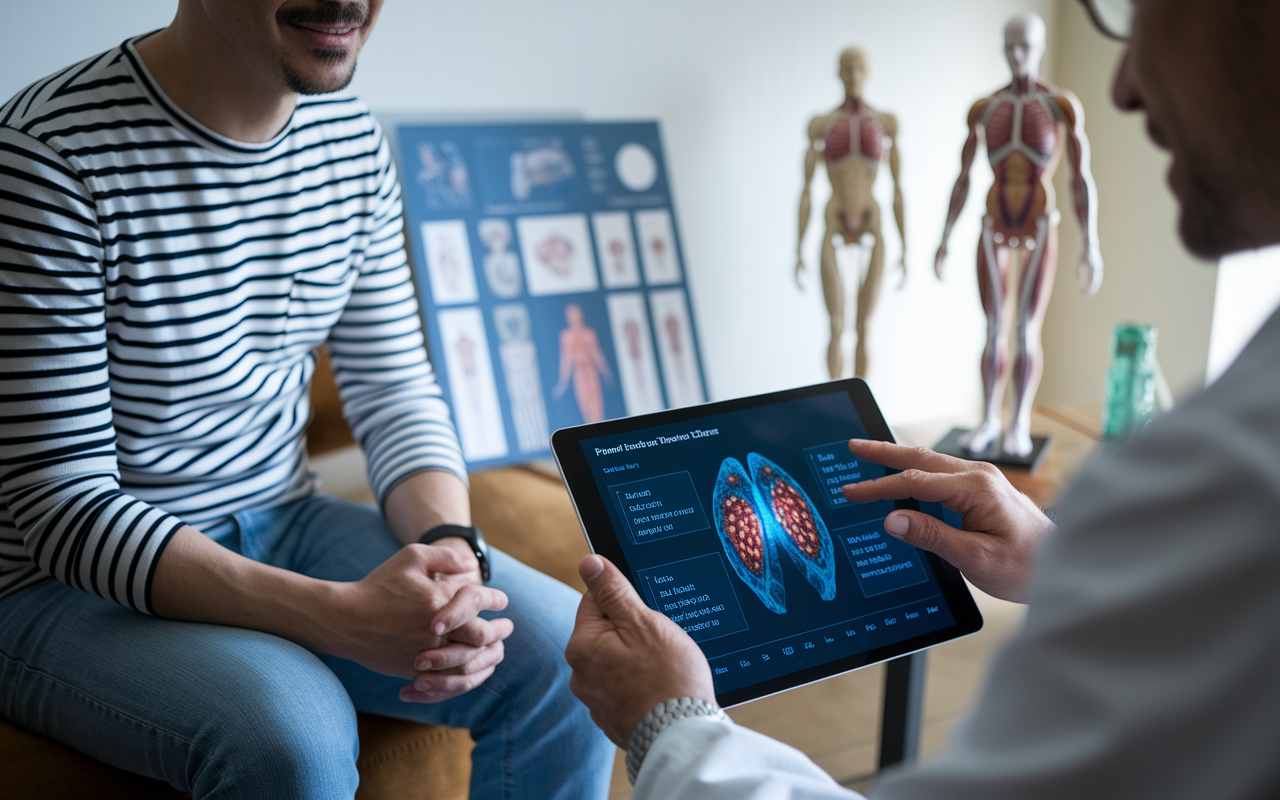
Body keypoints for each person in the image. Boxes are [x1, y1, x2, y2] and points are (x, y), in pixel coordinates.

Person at [567, 1, 1280, 797]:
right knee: (876, 344)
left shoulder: (1242, 477)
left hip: (986, 220)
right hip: (879, 220)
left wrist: (669, 725)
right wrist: (1060, 563)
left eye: (1150, 11)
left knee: (1004, 337)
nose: (1122, 86)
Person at [0, 2, 613, 799]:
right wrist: (336, 615)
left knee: (573, 655)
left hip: (279, 517)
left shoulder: (351, 142)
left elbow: (394, 388)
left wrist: (454, 557)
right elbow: (60, 505)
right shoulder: (48, 156)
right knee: (296, 737)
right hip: (58, 585)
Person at [934, 12, 1103, 458]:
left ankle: (1019, 422)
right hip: (993, 222)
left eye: (1025, 46)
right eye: (1010, 46)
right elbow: (963, 176)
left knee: (1027, 330)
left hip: (1039, 221)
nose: (1016, 55)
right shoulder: (985, 108)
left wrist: (1091, 244)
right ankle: (991, 418)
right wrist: (945, 237)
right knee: (993, 329)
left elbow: (1080, 179)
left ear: (1041, 46)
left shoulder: (1058, 106)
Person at [795, 47, 905, 381]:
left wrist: (907, 246)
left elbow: (898, 189)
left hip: (872, 218)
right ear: (838, 73)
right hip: (834, 217)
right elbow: (806, 191)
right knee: (836, 324)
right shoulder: (820, 126)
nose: (853, 75)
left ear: (867, 72)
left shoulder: (886, 124)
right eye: (847, 68)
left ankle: (861, 405)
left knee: (864, 326)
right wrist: (797, 248)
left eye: (859, 68)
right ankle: (835, 398)